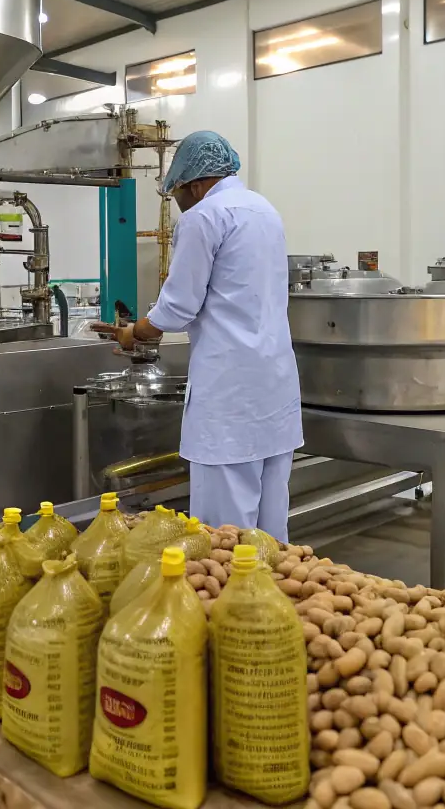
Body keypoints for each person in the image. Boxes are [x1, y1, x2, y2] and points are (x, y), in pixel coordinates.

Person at [93, 131, 302, 538]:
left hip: (229, 397)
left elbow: (177, 307)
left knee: (225, 535)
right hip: (275, 389)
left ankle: (237, 583)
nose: (177, 203)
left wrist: (134, 333)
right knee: (271, 530)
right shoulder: (264, 210)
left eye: (176, 194)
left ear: (195, 184)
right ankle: (271, 580)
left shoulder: (204, 217)